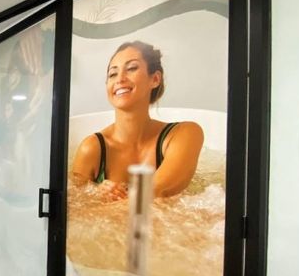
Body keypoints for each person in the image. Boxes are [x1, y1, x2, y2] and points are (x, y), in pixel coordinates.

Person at [70, 41, 203, 199]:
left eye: (132, 68)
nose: (120, 79)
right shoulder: (92, 149)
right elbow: (73, 207)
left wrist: (107, 204)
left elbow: (153, 194)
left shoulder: (184, 134)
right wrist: (96, 195)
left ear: (155, 79)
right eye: (112, 74)